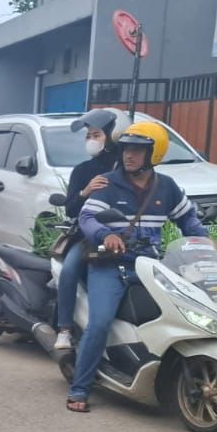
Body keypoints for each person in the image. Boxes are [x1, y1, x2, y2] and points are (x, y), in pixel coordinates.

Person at [66, 121, 207, 413]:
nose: (129, 155)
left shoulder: (166, 187)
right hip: (110, 265)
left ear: (153, 155)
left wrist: (205, 244)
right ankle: (80, 388)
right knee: (100, 322)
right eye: (126, 149)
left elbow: (188, 220)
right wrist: (108, 235)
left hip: (151, 266)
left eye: (137, 150)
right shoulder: (107, 182)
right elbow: (87, 219)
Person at [53, 111, 123, 351]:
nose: (91, 140)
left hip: (124, 236)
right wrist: (86, 191)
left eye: (97, 135)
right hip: (87, 236)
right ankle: (64, 329)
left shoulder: (125, 168)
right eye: (89, 136)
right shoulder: (82, 170)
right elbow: (72, 208)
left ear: (112, 136)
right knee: (70, 270)